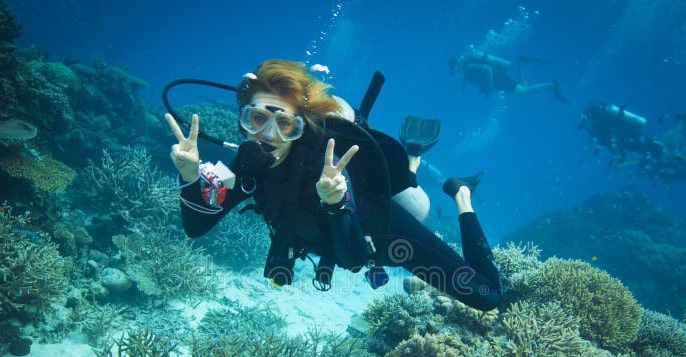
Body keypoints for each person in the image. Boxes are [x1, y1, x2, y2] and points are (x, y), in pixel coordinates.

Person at [165, 59, 502, 311]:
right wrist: (189, 175)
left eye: (284, 123)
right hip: (330, 234)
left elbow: (354, 259)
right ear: (244, 119)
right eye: (257, 119)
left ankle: (460, 193)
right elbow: (196, 227)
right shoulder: (249, 162)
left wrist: (335, 202)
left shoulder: (325, 163)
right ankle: (413, 159)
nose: (268, 135)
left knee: (487, 297)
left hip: (377, 231)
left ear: (300, 127)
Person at [450, 46, 568, 103]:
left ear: (456, 66)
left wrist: (490, 84)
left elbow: (487, 68)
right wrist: (485, 87)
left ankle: (552, 84)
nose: (455, 73)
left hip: (498, 79)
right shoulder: (466, 72)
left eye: (454, 70)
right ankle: (521, 62)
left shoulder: (468, 67)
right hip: (499, 80)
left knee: (523, 92)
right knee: (523, 87)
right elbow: (481, 77)